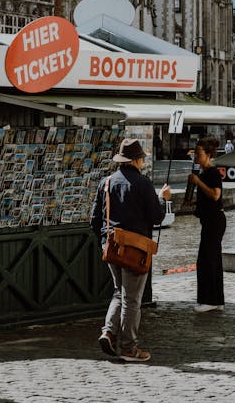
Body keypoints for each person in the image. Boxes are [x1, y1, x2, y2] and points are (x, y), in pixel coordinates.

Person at [90, 138, 171, 362]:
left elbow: (94, 220)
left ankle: (108, 331)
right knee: (132, 299)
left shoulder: (106, 183)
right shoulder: (143, 184)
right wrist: (162, 199)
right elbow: (156, 217)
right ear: (136, 160)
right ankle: (128, 348)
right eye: (142, 158)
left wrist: (104, 241)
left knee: (119, 292)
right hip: (135, 249)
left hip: (112, 247)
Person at [188, 135, 226, 312]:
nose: (196, 156)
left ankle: (208, 301)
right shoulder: (205, 173)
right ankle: (217, 300)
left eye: (198, 153)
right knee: (213, 259)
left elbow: (215, 195)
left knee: (206, 260)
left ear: (208, 154)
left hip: (214, 221)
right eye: (195, 153)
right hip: (210, 220)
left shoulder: (211, 172)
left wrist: (198, 183)